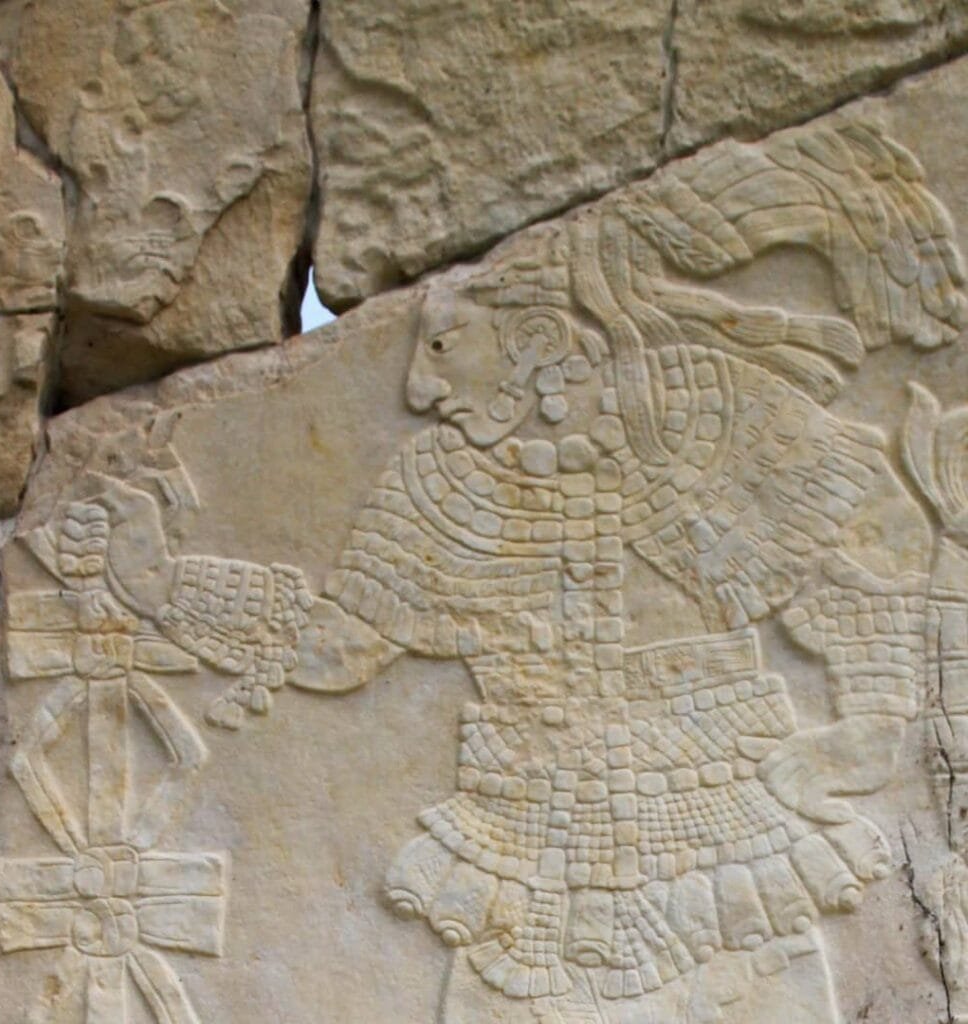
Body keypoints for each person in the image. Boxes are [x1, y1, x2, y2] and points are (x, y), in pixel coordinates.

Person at [95, 122, 964, 1023]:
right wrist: (168, 589)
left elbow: (865, 544)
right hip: (525, 869)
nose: (419, 390)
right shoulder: (440, 481)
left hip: (725, 853)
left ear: (537, 337)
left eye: (444, 346)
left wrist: (870, 724)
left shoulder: (695, 410)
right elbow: (339, 647)